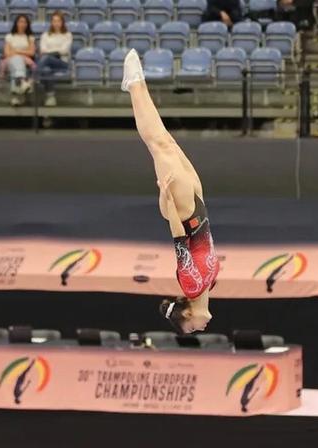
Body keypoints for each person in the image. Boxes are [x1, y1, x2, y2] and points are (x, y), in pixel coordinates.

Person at [121, 49, 220, 334]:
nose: (200, 329)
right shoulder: (208, 285)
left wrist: (168, 200)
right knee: (167, 141)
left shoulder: (191, 286)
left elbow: (180, 242)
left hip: (184, 212)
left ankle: (135, 84)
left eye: (192, 328)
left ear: (187, 313)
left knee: (158, 144)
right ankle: (136, 82)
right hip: (198, 206)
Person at [37, 11, 72, 107]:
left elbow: (64, 50)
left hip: (62, 63)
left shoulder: (67, 35)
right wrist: (55, 51)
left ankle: (33, 78)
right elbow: (42, 50)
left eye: (58, 21)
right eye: (54, 21)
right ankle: (50, 97)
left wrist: (50, 53)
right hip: (47, 63)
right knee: (46, 69)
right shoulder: (45, 35)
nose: (56, 23)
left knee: (46, 58)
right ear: (51, 22)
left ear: (62, 22)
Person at [3, 14, 36, 107]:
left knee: (17, 67)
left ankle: (15, 96)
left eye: (25, 22)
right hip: (10, 61)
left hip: (25, 62)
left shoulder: (30, 37)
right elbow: (7, 53)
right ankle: (22, 82)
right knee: (17, 60)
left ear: (27, 24)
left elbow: (32, 52)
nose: (22, 24)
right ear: (16, 23)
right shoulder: (10, 36)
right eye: (20, 22)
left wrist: (17, 51)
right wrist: (22, 53)